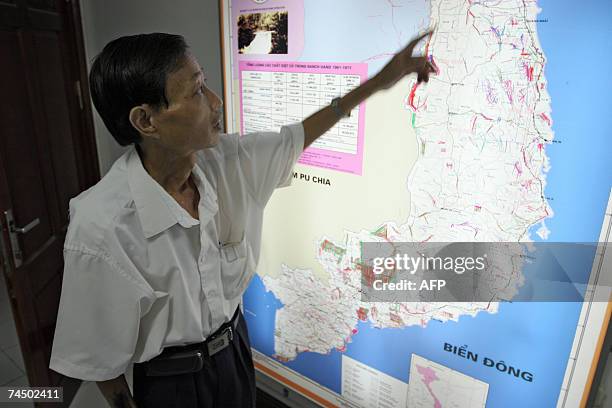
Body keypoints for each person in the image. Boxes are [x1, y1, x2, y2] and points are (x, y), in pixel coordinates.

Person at [49, 30, 435, 407]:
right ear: (146, 120)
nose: (215, 102)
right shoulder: (101, 224)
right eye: (197, 91)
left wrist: (381, 81)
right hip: (173, 385)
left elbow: (298, 136)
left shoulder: (228, 163)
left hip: (234, 355)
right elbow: (100, 364)